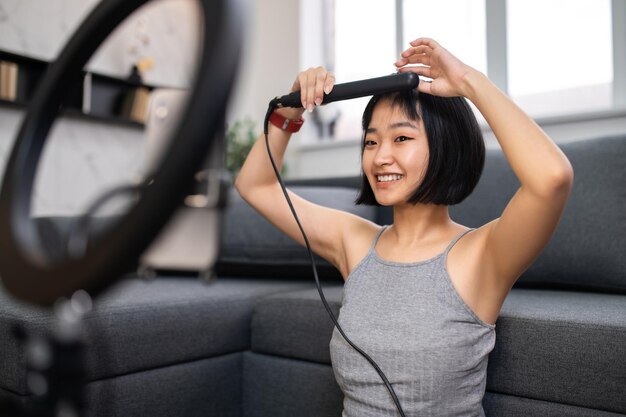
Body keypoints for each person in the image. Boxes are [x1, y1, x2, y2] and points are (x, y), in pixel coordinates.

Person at [235, 38, 573, 416]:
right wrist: (290, 110)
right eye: (371, 141)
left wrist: (469, 82)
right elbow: (256, 186)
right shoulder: (354, 242)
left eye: (402, 138)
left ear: (446, 144)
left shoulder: (482, 255)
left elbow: (552, 179)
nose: (381, 157)